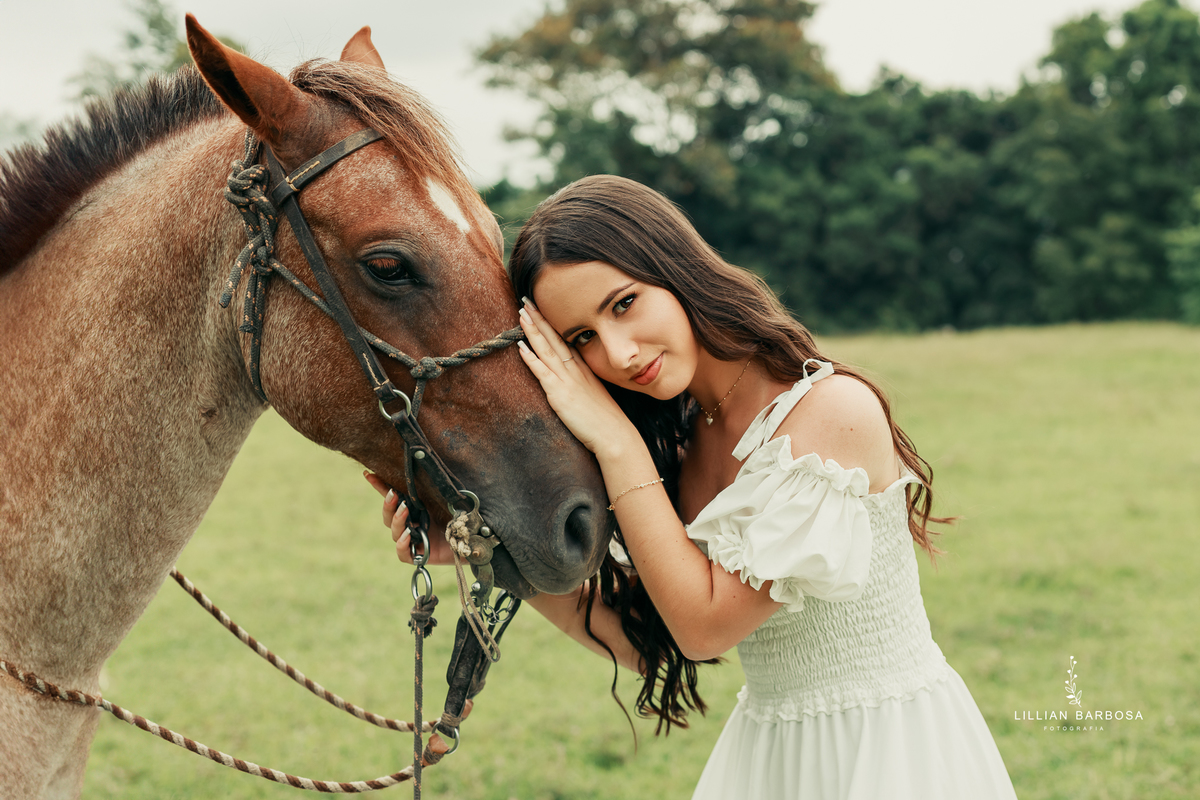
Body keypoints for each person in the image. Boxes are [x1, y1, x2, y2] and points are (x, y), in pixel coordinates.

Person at [367, 175, 1018, 799]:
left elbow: (704, 630)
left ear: (676, 269)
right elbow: (645, 642)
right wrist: (492, 556)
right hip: (772, 751)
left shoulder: (830, 412)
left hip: (887, 752)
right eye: (583, 339)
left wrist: (615, 444)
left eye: (624, 304)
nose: (619, 354)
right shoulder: (680, 440)